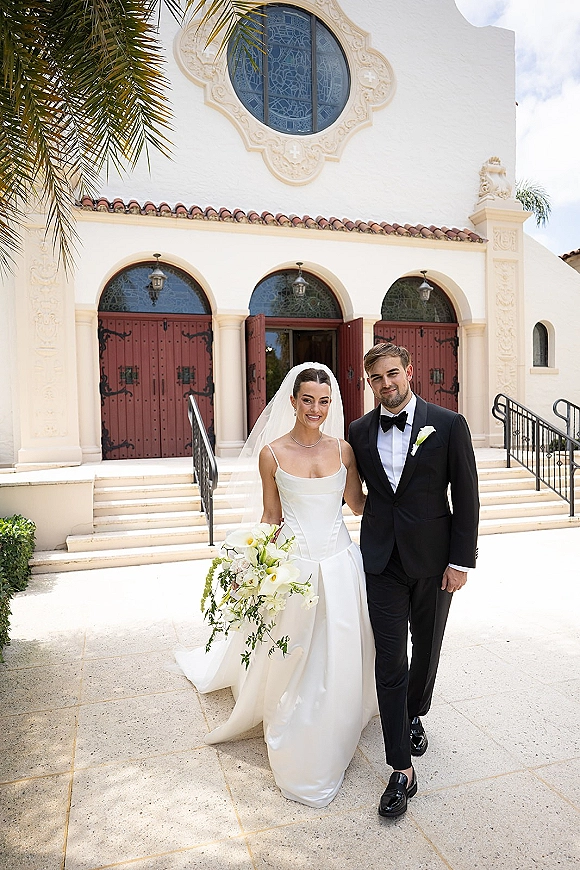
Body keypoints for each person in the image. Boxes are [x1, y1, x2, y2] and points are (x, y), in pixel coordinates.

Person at [175, 363, 377, 808]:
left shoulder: (344, 452)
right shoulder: (272, 453)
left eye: (324, 402)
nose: (316, 409)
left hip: (340, 562)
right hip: (295, 563)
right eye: (308, 400)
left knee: (340, 642)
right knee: (294, 648)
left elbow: (359, 505)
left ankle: (340, 712)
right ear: (292, 402)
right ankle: (293, 714)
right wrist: (252, 562)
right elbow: (270, 516)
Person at [348, 343, 479, 819]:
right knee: (391, 659)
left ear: (408, 371)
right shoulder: (359, 432)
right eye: (376, 379)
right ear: (369, 384)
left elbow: (466, 495)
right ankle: (401, 769)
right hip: (382, 562)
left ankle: (415, 712)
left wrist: (461, 561)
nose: (386, 384)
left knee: (426, 649)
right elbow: (358, 496)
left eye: (392, 374)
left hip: (434, 560)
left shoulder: (447, 425)